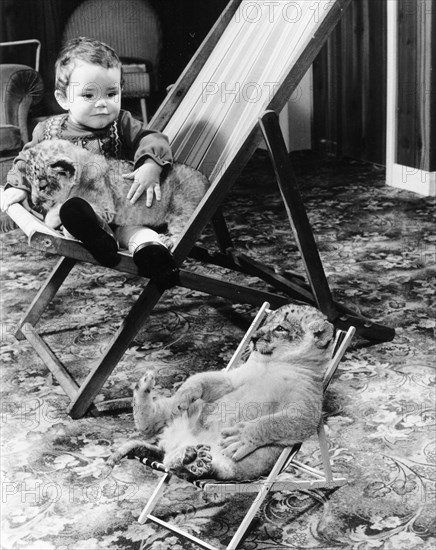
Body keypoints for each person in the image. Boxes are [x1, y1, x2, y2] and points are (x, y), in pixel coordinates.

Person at [1, 37, 177, 287]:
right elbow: (27, 160)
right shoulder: (47, 131)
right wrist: (19, 185)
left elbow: (152, 139)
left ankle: (152, 253)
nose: (102, 103)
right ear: (63, 98)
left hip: (119, 208)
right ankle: (97, 237)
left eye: (112, 93)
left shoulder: (123, 123)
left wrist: (151, 165)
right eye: (88, 94)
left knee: (134, 231)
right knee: (69, 215)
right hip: (79, 211)